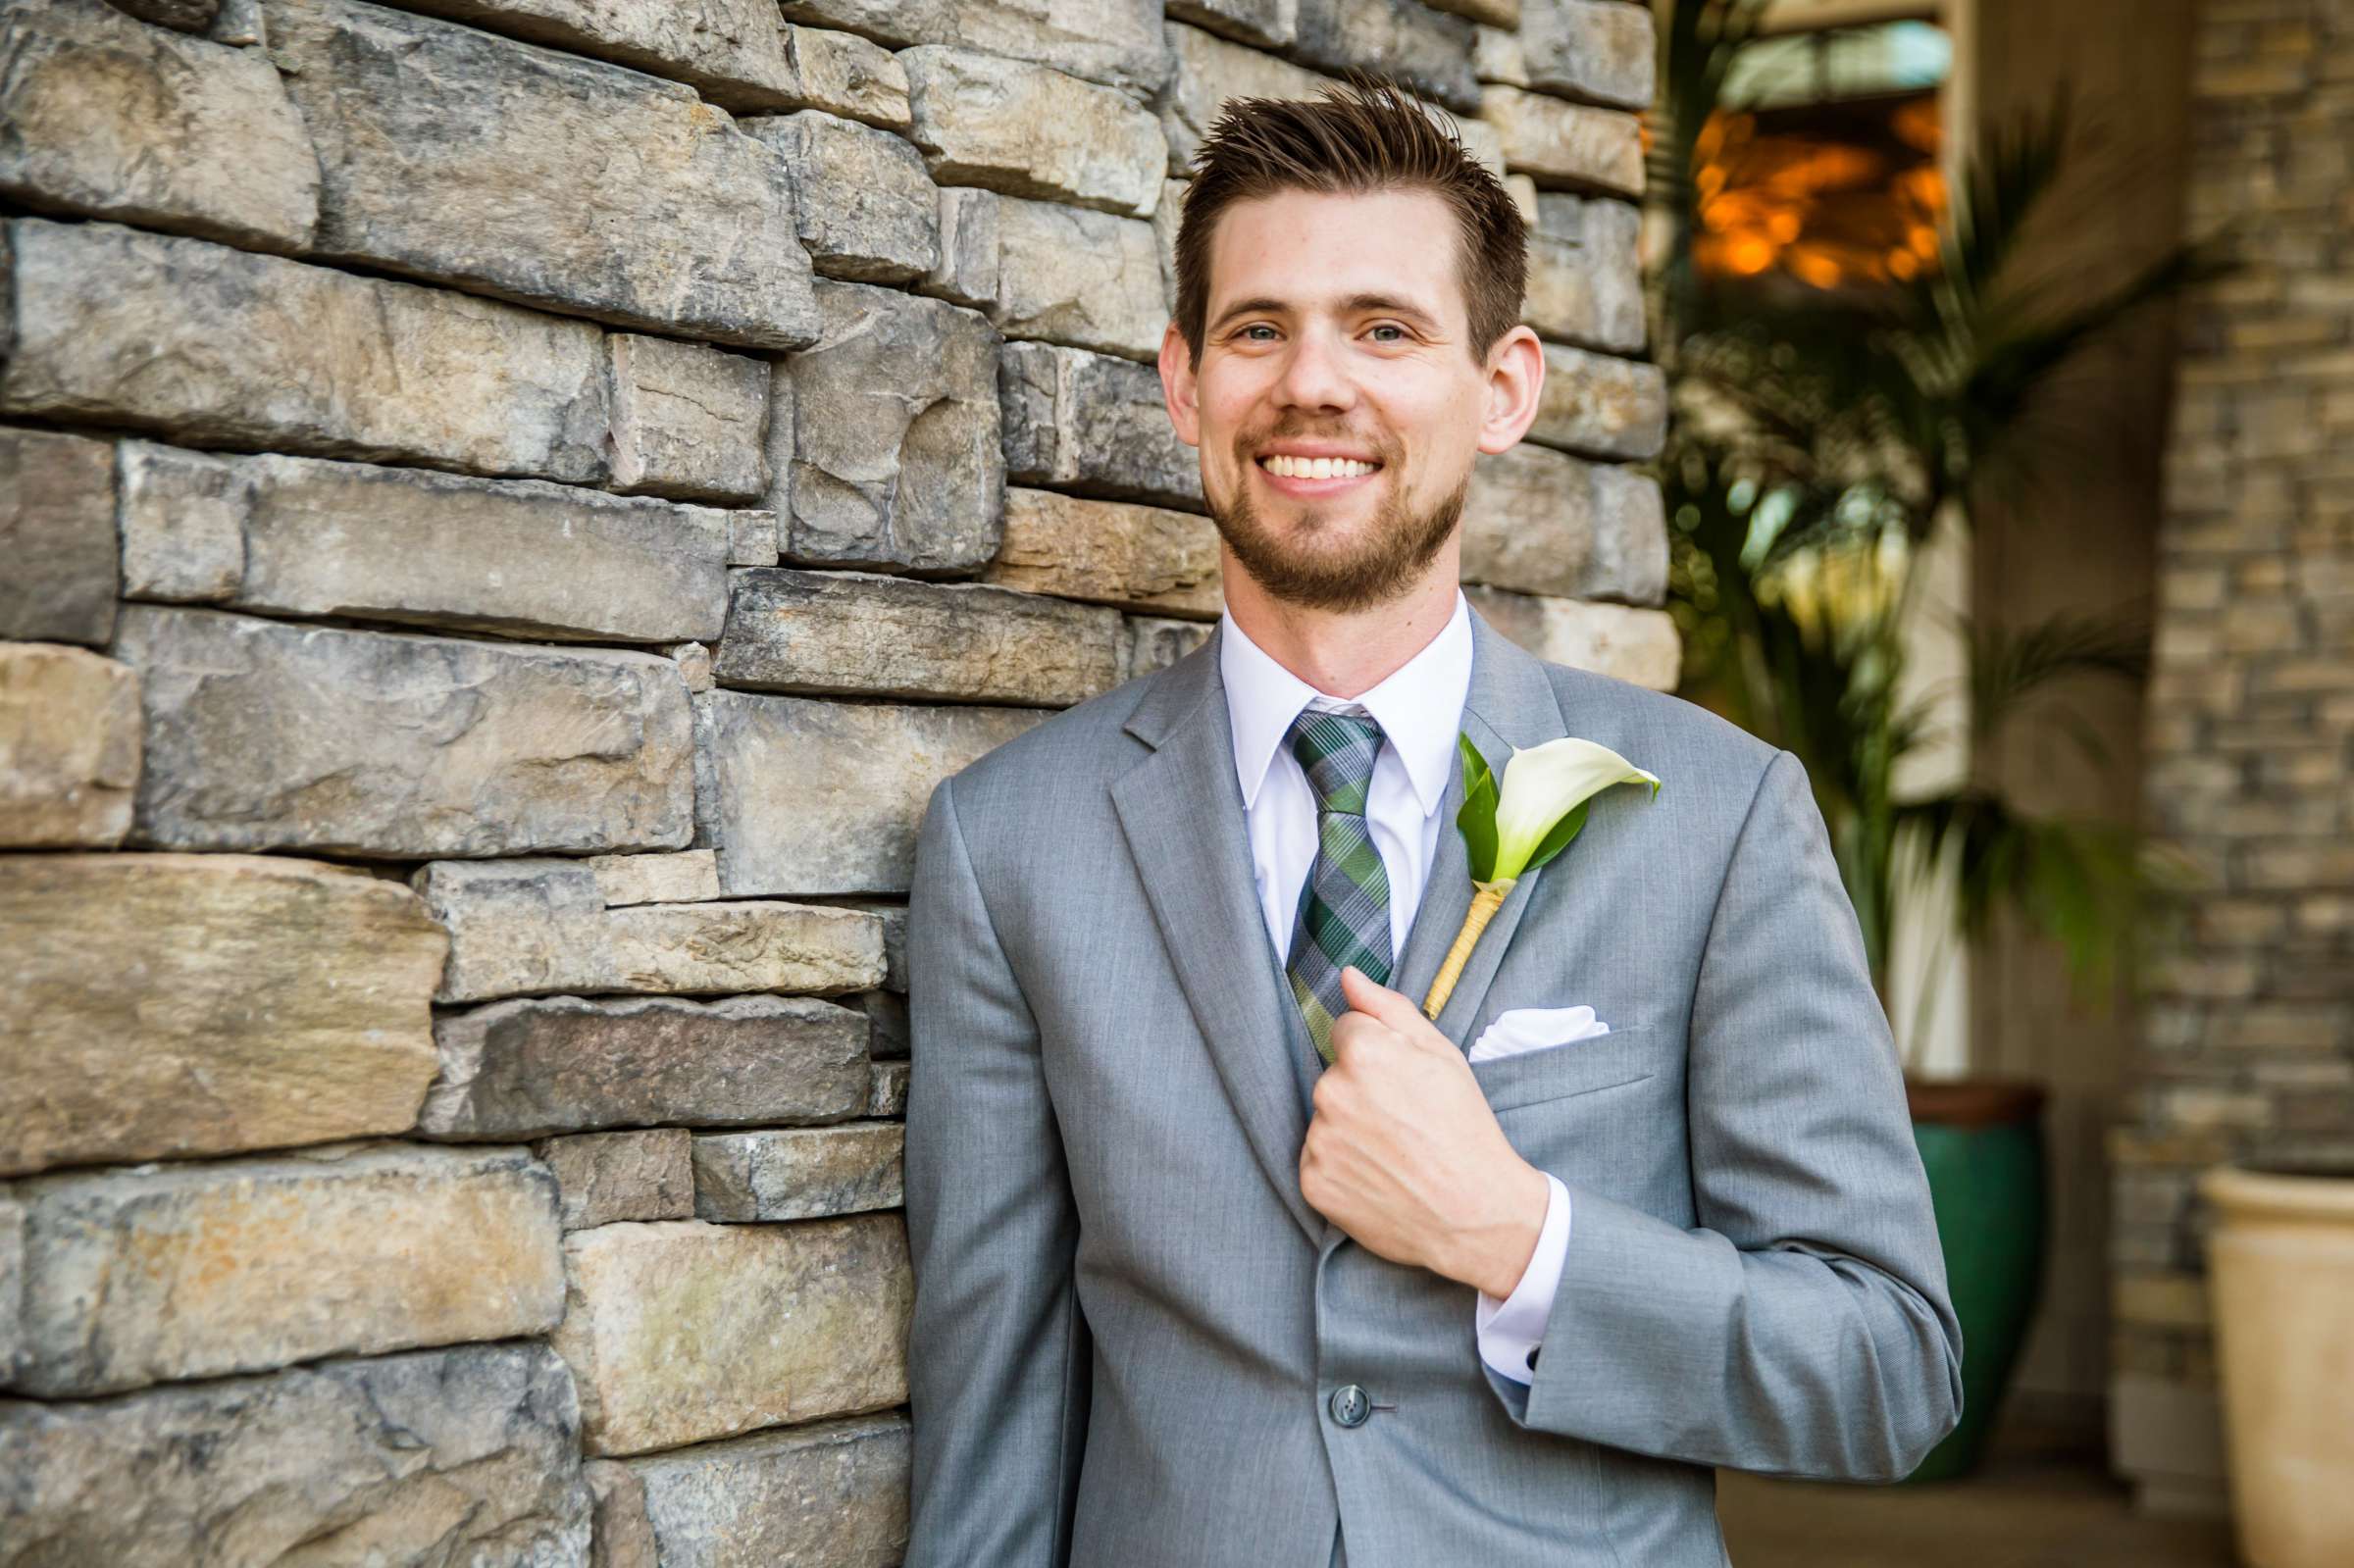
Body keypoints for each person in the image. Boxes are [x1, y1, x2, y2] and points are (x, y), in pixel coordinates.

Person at [901, 76, 1963, 1568]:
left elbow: (1886, 1368)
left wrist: (1519, 1238)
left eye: (1385, 329)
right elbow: (993, 1422)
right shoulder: (1007, 846)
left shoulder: (1719, 822)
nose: (1312, 383)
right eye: (1259, 327)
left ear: (1504, 389)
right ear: (1183, 381)